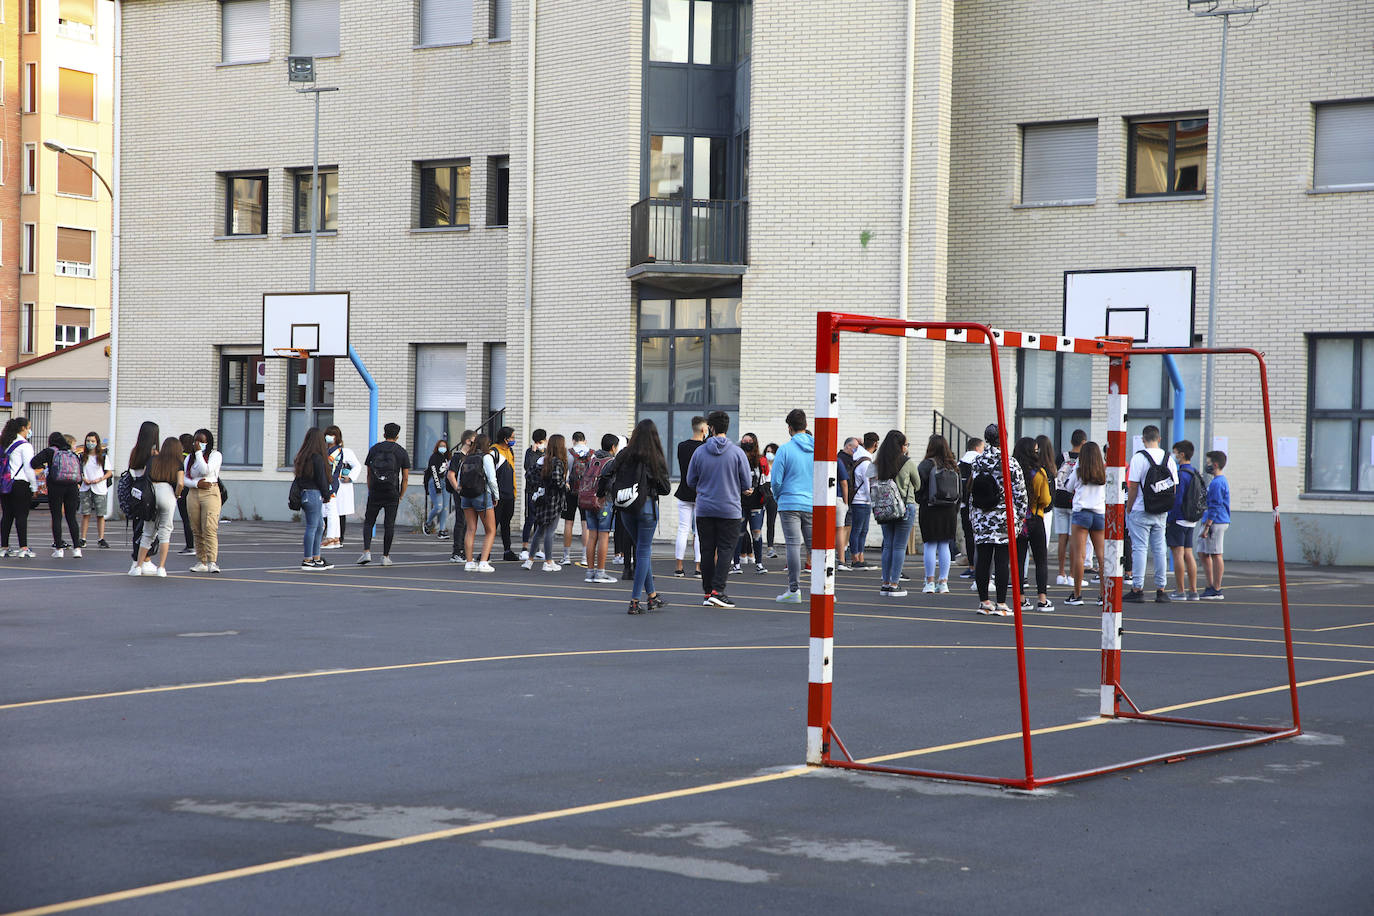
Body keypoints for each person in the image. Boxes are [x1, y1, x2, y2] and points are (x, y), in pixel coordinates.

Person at [685, 410, 752, 609]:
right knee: (725, 550)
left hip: (705, 509)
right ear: (726, 427)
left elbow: (690, 481)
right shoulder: (737, 453)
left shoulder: (699, 452)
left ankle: (708, 592)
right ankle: (718, 591)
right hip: (729, 509)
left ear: (711, 428)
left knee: (707, 550)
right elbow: (746, 482)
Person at [969, 424, 1027, 616]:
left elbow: (972, 488)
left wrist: (973, 515)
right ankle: (1001, 603)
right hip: (1003, 517)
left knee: (983, 560)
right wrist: (1020, 516)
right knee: (1002, 560)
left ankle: (984, 601)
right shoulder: (1010, 463)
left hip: (981, 515)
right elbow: (1020, 493)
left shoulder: (977, 461)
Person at [615, 419, 672, 614]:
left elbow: (610, 472)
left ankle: (652, 596)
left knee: (641, 551)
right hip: (647, 507)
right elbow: (666, 488)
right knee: (643, 552)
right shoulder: (654, 457)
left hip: (626, 508)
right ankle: (634, 600)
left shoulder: (624, 454)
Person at [1125, 424, 1179, 604]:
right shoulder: (1169, 459)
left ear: (1143, 439)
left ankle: (1137, 588)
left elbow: (1132, 486)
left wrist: (1129, 507)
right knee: (1159, 549)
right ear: (1159, 439)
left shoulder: (1138, 458)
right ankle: (1161, 589)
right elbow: (1174, 487)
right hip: (1162, 511)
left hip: (1141, 508)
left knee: (1139, 548)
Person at [770, 408, 814, 604]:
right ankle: (825, 587)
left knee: (793, 546)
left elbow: (776, 481)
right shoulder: (819, 449)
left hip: (789, 502)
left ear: (789, 428)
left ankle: (794, 590)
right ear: (806, 426)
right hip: (813, 503)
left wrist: (779, 496)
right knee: (816, 547)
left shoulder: (785, 449)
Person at [873, 430, 922, 597]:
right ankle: (895, 583)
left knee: (888, 545)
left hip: (884, 508)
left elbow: (870, 480)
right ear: (901, 446)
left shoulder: (878, 462)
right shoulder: (907, 462)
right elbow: (918, 484)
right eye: (906, 444)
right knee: (900, 546)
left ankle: (885, 583)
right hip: (905, 507)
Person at [359, 422, 409, 567]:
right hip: (392, 492)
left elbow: (368, 473)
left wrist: (371, 489)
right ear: (397, 436)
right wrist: (400, 495)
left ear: (384, 434)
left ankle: (366, 551)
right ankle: (385, 556)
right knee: (389, 525)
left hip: (375, 491)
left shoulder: (374, 449)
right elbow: (405, 477)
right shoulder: (401, 452)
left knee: (369, 522)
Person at [1063, 441, 1107, 607]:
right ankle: (1104, 595)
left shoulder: (1079, 469)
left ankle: (1077, 594)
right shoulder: (1103, 470)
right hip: (1099, 514)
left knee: (1080, 556)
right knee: (1102, 557)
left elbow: (1068, 487)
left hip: (1081, 513)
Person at [133, 437, 185, 577]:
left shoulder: (153, 460)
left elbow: (144, 476)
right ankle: (161, 568)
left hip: (151, 494)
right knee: (165, 531)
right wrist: (177, 495)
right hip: (167, 493)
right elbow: (180, 483)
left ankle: (138, 566)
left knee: (148, 532)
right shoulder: (178, 463)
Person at [1013, 436, 1054, 611]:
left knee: (1018, 560)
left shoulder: (1013, 471)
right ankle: (1042, 599)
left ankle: (1021, 599)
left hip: (1018, 520)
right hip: (1036, 518)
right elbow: (1045, 500)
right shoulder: (1040, 473)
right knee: (1040, 560)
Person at [915, 434, 958, 595]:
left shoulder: (926, 465)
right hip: (949, 510)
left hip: (930, 508)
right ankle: (944, 582)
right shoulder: (953, 465)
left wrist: (922, 500)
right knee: (945, 545)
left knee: (930, 545)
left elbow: (918, 487)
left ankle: (930, 582)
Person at [30, 432, 83, 558]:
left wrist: (44, 466)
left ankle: (59, 549)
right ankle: (77, 548)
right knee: (72, 518)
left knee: (57, 517)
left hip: (56, 487)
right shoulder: (71, 453)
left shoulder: (50, 451)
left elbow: (33, 462)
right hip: (72, 487)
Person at [523, 433, 567, 572]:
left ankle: (529, 560)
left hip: (541, 498)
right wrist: (565, 486)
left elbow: (528, 475)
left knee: (540, 529)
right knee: (550, 531)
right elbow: (557, 481)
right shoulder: (558, 462)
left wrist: (540, 485)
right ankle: (548, 561)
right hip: (554, 500)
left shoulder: (542, 460)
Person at [456, 432, 500, 572]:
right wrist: (496, 496)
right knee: (490, 530)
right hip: (482, 495)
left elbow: (458, 481)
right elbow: (492, 480)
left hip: (466, 496)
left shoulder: (466, 458)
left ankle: (469, 562)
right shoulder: (486, 457)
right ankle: (483, 562)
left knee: (470, 529)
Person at [579, 434, 619, 583]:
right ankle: (601, 572)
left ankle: (590, 572)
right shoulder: (611, 462)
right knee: (604, 536)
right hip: (604, 502)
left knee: (592, 536)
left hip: (589, 501)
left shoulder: (592, 459)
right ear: (613, 447)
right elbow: (610, 484)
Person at [292, 427, 333, 570]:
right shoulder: (318, 458)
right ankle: (308, 559)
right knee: (313, 526)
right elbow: (322, 479)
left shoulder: (302, 456)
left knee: (319, 526)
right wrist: (327, 495)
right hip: (314, 494)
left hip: (305, 495)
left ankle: (316, 557)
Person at [184, 428, 224, 573]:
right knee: (196, 528)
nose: (198, 444)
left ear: (208, 442)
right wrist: (195, 484)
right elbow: (184, 479)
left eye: (202, 441)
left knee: (209, 527)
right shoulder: (189, 458)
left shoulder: (215, 455)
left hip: (210, 492)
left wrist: (199, 453)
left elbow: (205, 470)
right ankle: (201, 561)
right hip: (194, 493)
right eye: (196, 441)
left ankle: (212, 561)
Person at [1167, 439, 1203, 601]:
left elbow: (1177, 499)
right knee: (1189, 552)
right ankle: (1193, 590)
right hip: (1191, 519)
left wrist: (1170, 518)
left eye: (1175, 453)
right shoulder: (1195, 472)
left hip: (1179, 518)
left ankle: (1180, 590)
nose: (1174, 456)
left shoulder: (1181, 474)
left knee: (1178, 554)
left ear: (1181, 454)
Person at [124, 421, 161, 572]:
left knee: (137, 526)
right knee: (150, 528)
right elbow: (154, 474)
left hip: (135, 492)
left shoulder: (135, 451)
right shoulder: (153, 454)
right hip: (148, 493)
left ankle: (140, 559)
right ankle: (143, 559)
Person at [674, 416, 707, 577]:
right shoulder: (705, 447)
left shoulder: (681, 446)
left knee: (682, 529)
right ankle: (698, 568)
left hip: (684, 491)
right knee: (699, 532)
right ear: (703, 429)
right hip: (701, 493)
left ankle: (679, 567)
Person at [732, 432, 769, 574]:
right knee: (739, 533)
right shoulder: (736, 458)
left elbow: (765, 479)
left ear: (754, 442)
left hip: (756, 503)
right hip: (739, 502)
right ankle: (736, 564)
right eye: (744, 440)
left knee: (756, 532)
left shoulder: (760, 460)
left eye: (749, 440)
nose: (746, 442)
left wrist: (759, 492)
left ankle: (759, 563)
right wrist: (742, 489)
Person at [1053, 429, 1086, 586]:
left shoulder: (1062, 456)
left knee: (1062, 538)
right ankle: (1072, 575)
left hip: (1059, 498)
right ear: (1083, 442)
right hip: (1075, 500)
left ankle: (1061, 573)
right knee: (1074, 539)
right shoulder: (1084, 458)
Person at [1, 417, 37, 558]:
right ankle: (23, 547)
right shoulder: (25, 445)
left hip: (5, 483)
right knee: (21, 516)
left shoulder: (5, 443)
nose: (29, 430)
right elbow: (29, 468)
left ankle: (4, 546)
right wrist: (34, 486)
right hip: (20, 483)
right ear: (22, 428)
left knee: (7, 516)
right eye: (28, 428)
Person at [1198, 450, 1230, 600]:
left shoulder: (1218, 482)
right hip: (1210, 521)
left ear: (1215, 464)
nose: (1207, 465)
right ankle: (1210, 585)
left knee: (1216, 553)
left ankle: (1216, 589)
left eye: (1209, 462)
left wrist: (1207, 526)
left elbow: (1216, 505)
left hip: (1216, 522)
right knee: (1203, 553)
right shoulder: (1216, 481)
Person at [322, 426, 360, 549]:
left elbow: (357, 466)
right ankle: (331, 536)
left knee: (339, 512)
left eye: (332, 435)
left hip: (340, 485)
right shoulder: (322, 450)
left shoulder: (345, 452)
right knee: (327, 512)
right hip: (327, 484)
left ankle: (336, 538)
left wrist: (350, 477)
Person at [77, 432, 113, 550]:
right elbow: (79, 471)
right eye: (88, 441)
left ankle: (101, 538)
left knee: (100, 514)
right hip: (86, 487)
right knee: (85, 514)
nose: (90, 443)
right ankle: (83, 538)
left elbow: (109, 472)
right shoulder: (82, 456)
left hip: (99, 488)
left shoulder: (103, 456)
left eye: (92, 441)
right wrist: (84, 479)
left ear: (97, 442)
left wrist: (99, 479)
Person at [561, 431, 589, 566]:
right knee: (585, 524)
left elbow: (565, 473)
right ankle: (585, 557)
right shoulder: (592, 453)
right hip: (586, 493)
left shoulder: (569, 453)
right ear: (585, 441)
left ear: (573, 440)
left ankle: (566, 557)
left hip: (571, 491)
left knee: (568, 522)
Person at [447, 430, 475, 562]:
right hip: (460, 493)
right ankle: (456, 552)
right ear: (468, 441)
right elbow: (450, 474)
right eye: (474, 439)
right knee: (461, 521)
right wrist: (458, 488)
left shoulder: (470, 456)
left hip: (468, 492)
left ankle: (464, 551)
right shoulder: (458, 456)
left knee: (467, 523)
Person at [957, 438, 984, 578]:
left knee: (968, 535)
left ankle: (972, 567)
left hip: (963, 504)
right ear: (978, 448)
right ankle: (981, 567)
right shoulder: (980, 462)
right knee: (980, 536)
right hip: (979, 505)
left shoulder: (959, 464)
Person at [519, 428, 547, 561]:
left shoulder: (547, 453)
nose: (542, 443)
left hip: (542, 490)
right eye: (539, 442)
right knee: (530, 518)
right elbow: (528, 467)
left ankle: (537, 549)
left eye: (542, 441)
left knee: (539, 520)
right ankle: (524, 549)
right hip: (531, 490)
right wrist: (533, 452)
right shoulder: (529, 452)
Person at [492, 426, 519, 560]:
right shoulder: (494, 451)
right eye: (512, 437)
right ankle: (486, 552)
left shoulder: (510, 451)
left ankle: (507, 550)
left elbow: (512, 473)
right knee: (493, 524)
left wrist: (514, 490)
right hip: (498, 495)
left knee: (506, 524)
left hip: (509, 494)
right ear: (505, 438)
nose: (514, 440)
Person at [848, 437, 874, 569]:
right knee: (858, 530)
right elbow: (868, 484)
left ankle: (860, 557)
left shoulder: (860, 459)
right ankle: (855, 558)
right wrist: (872, 501)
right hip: (861, 501)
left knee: (863, 530)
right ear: (875, 444)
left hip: (862, 501)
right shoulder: (866, 463)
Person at [422, 438, 451, 538]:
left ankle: (442, 530)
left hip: (445, 483)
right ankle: (428, 523)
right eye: (440, 446)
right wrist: (438, 487)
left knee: (445, 508)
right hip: (435, 483)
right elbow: (434, 473)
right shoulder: (434, 457)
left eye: (444, 446)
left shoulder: (447, 458)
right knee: (438, 507)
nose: (442, 448)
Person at [175, 433, 197, 556]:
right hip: (193, 490)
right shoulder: (193, 457)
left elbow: (179, 476)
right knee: (194, 519)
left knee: (186, 519)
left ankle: (190, 545)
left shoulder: (182, 458)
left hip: (184, 491)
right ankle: (197, 544)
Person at [835, 441, 853, 570]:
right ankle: (841, 560)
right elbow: (844, 483)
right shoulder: (837, 462)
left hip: (819, 498)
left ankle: (813, 561)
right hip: (837, 498)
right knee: (839, 529)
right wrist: (846, 502)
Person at [762, 442, 779, 559]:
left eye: (772, 452)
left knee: (771, 522)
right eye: (767, 452)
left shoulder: (778, 465)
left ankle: (770, 547)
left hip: (773, 495)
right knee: (757, 522)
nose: (769, 454)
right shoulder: (762, 464)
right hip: (763, 492)